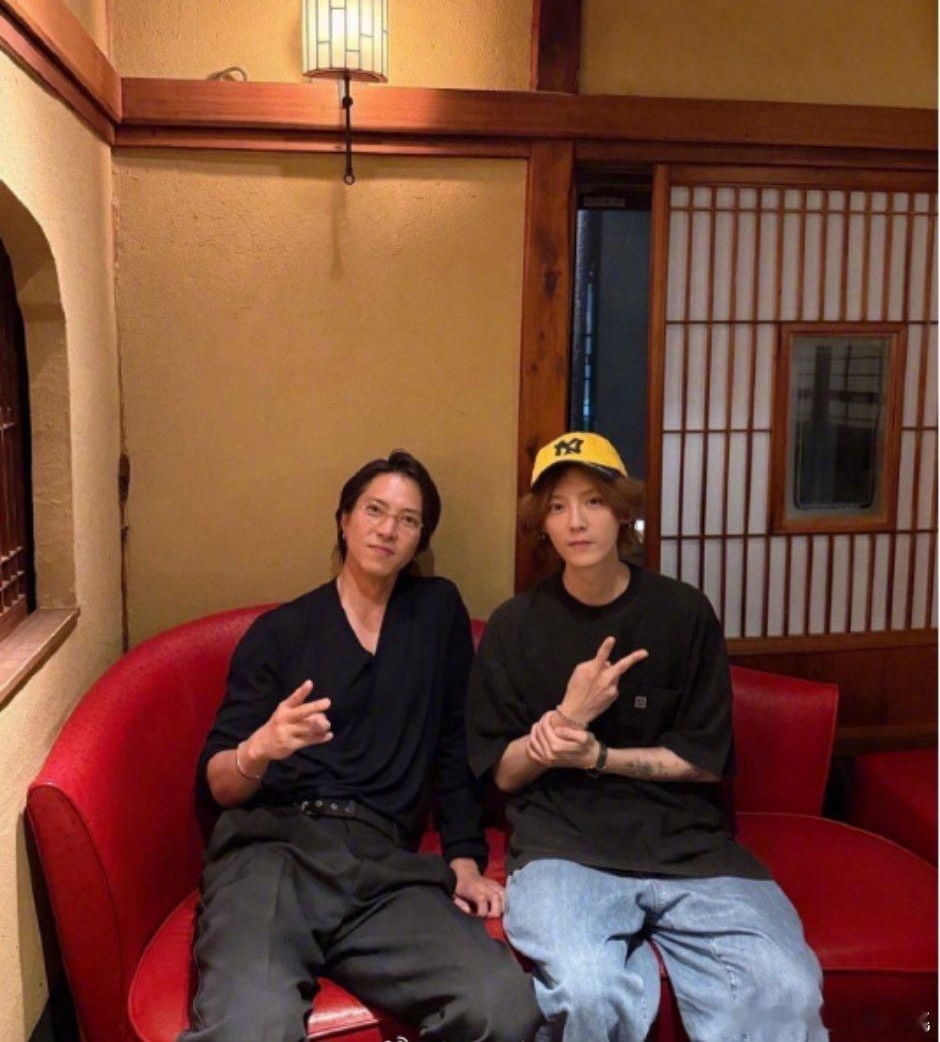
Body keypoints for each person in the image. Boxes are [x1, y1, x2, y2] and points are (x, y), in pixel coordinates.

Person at [466, 432, 827, 1042]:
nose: (576, 522)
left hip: (691, 848)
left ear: (622, 510)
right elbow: (502, 771)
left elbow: (705, 760)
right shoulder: (514, 625)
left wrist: (599, 755)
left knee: (782, 991)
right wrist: (565, 721)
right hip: (564, 848)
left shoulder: (683, 613)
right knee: (586, 992)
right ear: (542, 525)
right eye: (557, 507)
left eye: (593, 501)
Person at [182, 450, 541, 1042]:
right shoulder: (281, 632)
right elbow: (219, 783)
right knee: (250, 1027)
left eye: (408, 519)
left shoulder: (436, 614)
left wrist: (464, 859)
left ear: (420, 540)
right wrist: (261, 747)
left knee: (501, 1005)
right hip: (276, 852)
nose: (388, 529)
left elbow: (454, 743)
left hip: (384, 865)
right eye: (374, 510)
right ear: (344, 519)